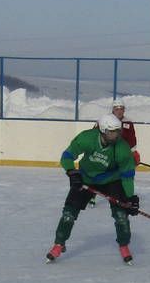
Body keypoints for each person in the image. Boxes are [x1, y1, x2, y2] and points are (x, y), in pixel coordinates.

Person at [46, 113, 138, 263]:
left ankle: (124, 245)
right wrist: (71, 171)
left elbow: (127, 175)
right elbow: (67, 155)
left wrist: (130, 198)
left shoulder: (122, 148)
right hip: (86, 178)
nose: (116, 135)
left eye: (117, 131)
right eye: (111, 132)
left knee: (121, 215)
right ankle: (59, 243)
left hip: (112, 180)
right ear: (102, 131)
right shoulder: (87, 138)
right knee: (69, 213)